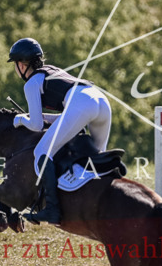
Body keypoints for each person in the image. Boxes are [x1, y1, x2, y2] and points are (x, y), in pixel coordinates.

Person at [8, 37, 113, 223]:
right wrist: (42, 118)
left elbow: (37, 125)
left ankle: (52, 211)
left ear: (22, 65)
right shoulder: (53, 71)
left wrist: (20, 119)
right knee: (97, 157)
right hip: (100, 100)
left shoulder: (32, 83)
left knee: (41, 152)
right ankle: (107, 198)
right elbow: (69, 116)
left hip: (82, 104)